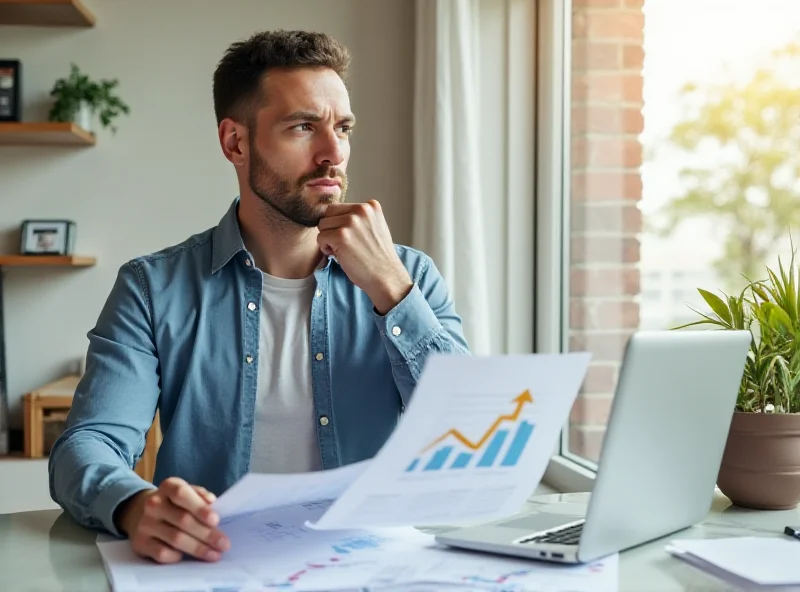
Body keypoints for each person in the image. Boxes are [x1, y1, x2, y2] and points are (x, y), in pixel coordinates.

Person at [48, 30, 469, 565]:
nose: (333, 153)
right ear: (235, 143)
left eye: (343, 128)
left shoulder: (410, 278)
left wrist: (390, 288)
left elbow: (466, 440)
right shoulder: (153, 289)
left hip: (373, 567)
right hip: (214, 567)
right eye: (303, 127)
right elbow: (86, 445)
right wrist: (135, 505)